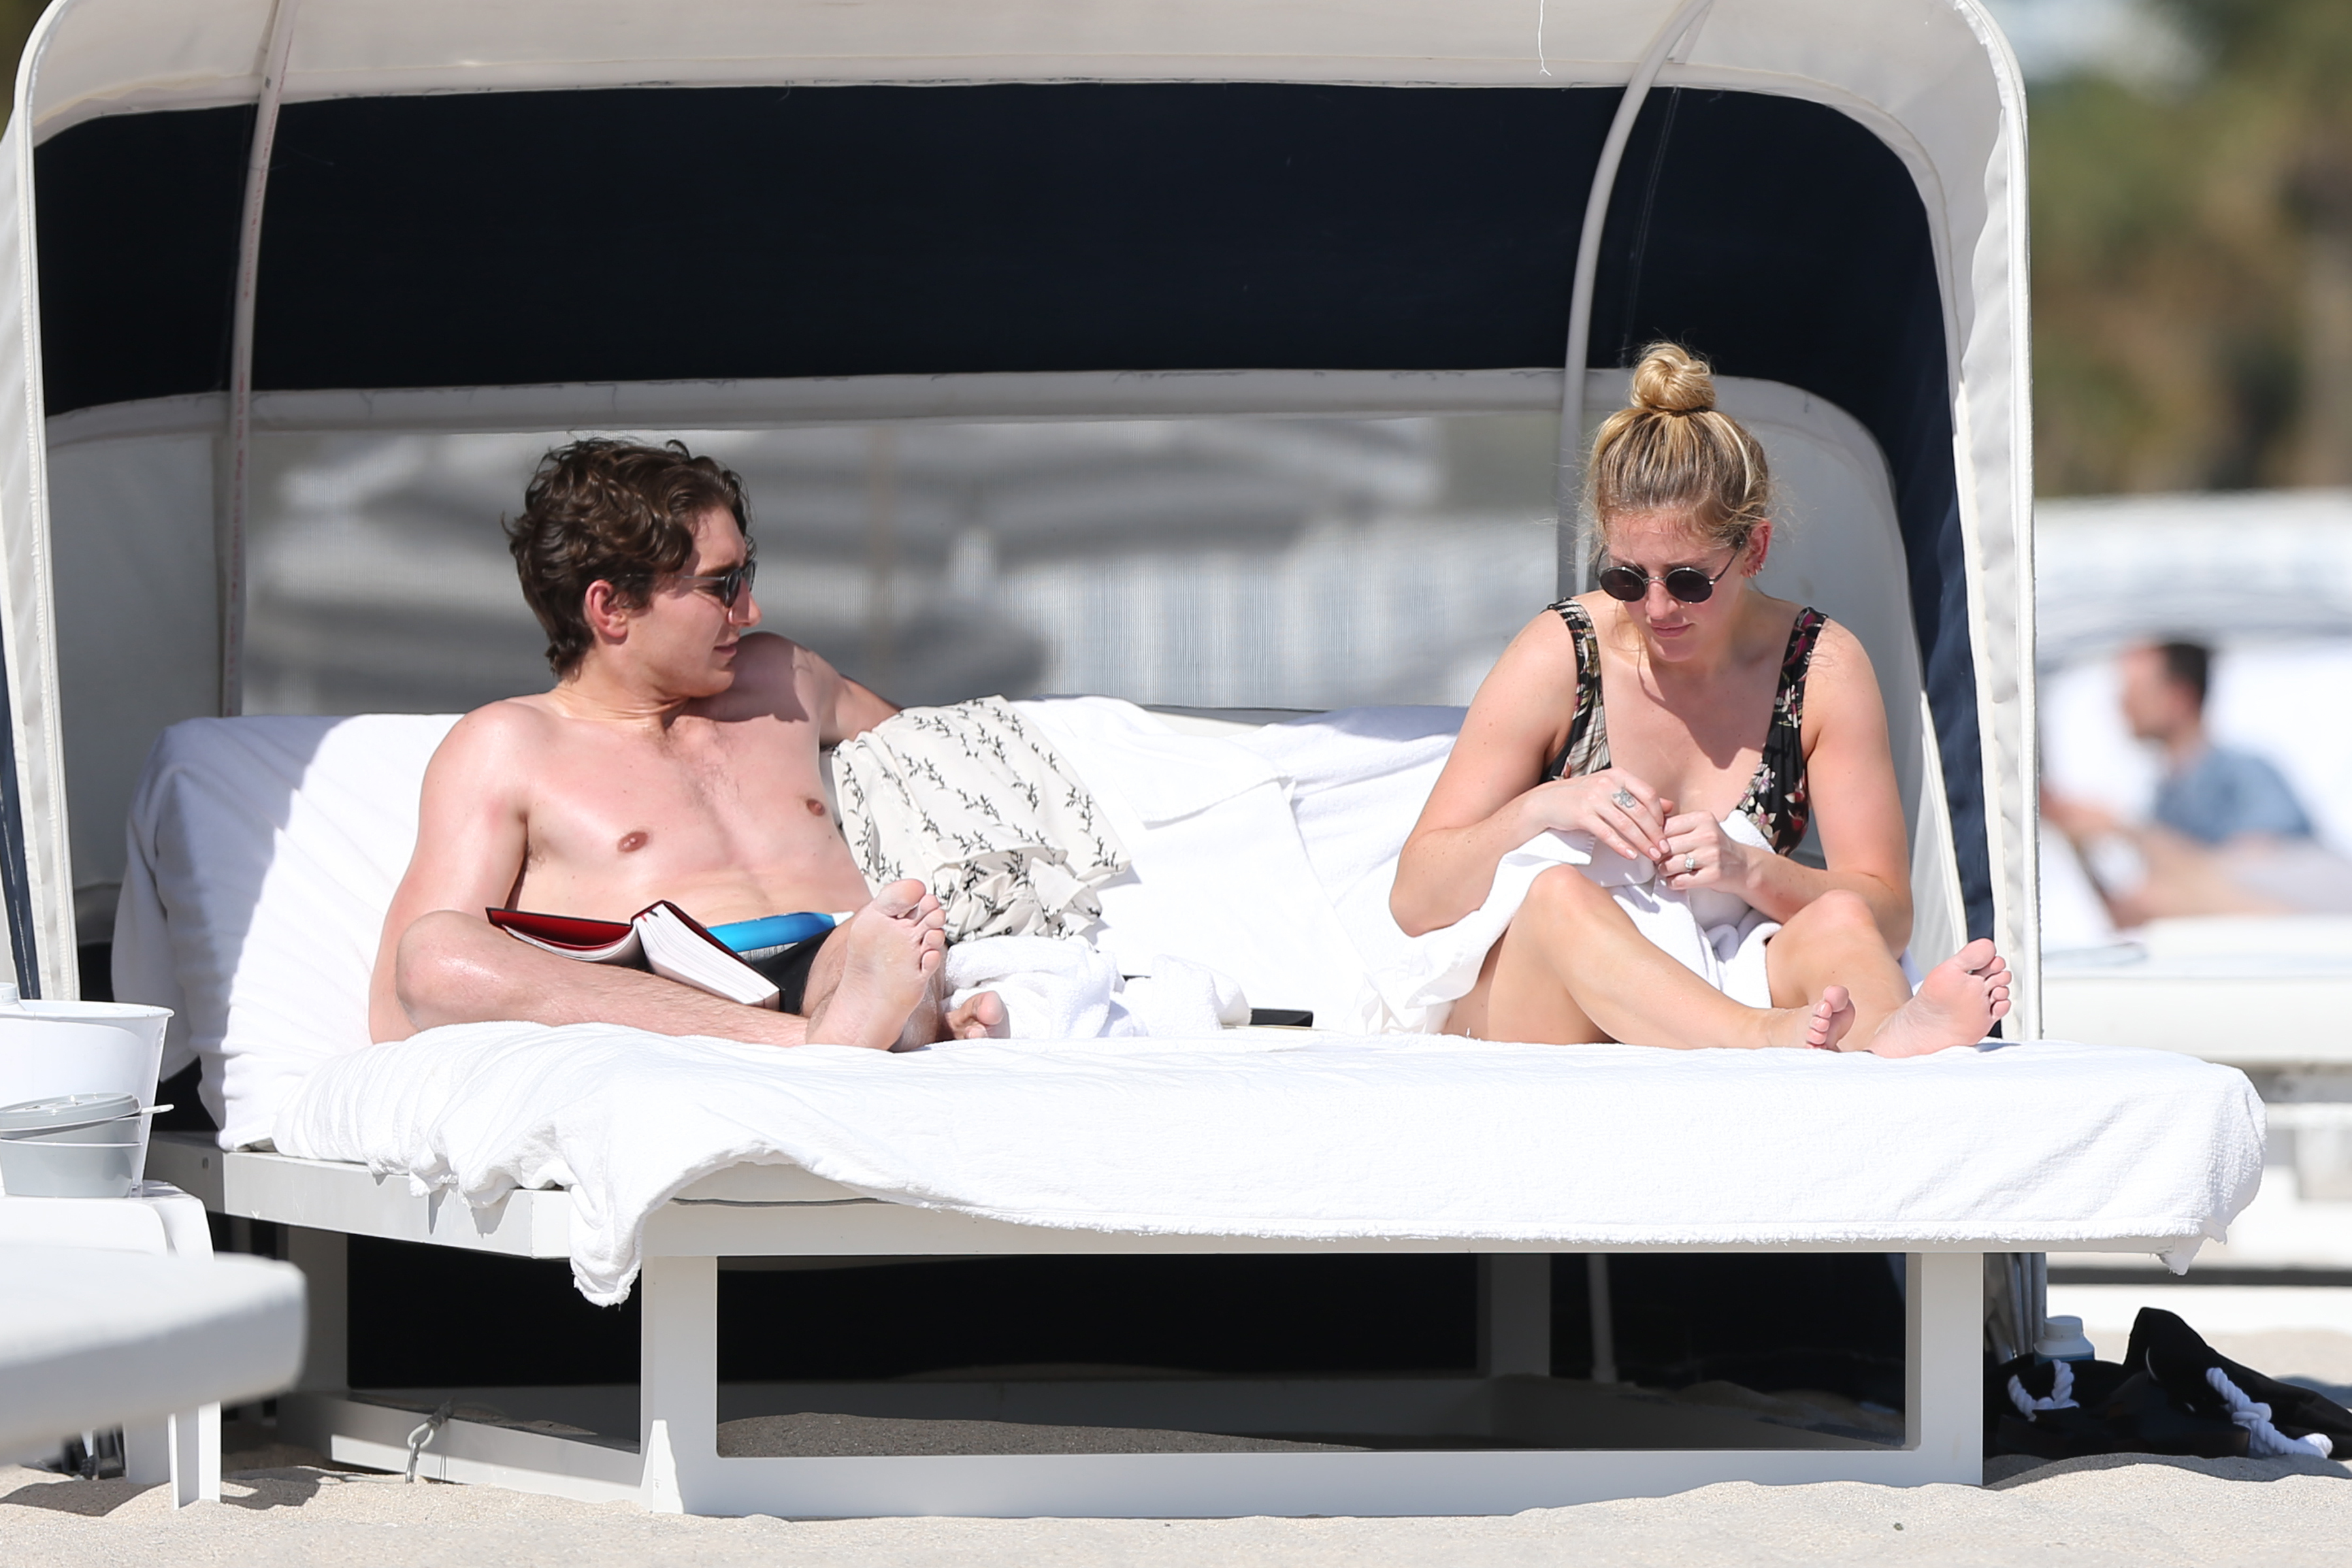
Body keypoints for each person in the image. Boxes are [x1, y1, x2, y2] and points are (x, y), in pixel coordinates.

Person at [1390, 344, 2010, 1054]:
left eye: (1687, 581)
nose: (1656, 609)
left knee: (1840, 919)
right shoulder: (1562, 651)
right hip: (1544, 994)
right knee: (1558, 896)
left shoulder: (1820, 668)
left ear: (1756, 550)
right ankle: (1762, 1038)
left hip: (1714, 966)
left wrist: (1750, 870)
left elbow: (1888, 914)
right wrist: (1544, 808)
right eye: (1626, 578)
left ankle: (1887, 1034)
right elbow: (1415, 899)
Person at [368, 438, 1005, 1051]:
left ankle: (882, 1022)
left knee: (896, 928)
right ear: (611, 607)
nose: (749, 611)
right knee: (431, 955)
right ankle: (821, 1041)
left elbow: (945, 751)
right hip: (652, 999)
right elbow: (398, 1009)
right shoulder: (507, 745)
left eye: (746, 575)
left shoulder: (784, 677)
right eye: (721, 585)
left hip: (836, 959)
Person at [2044, 640, 2328, 924]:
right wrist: (2079, 845)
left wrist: (2122, 829)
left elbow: (2252, 886)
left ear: (2179, 698)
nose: (2122, 705)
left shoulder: (2246, 772)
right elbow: (2134, 915)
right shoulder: (2165, 798)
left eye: (2135, 693)